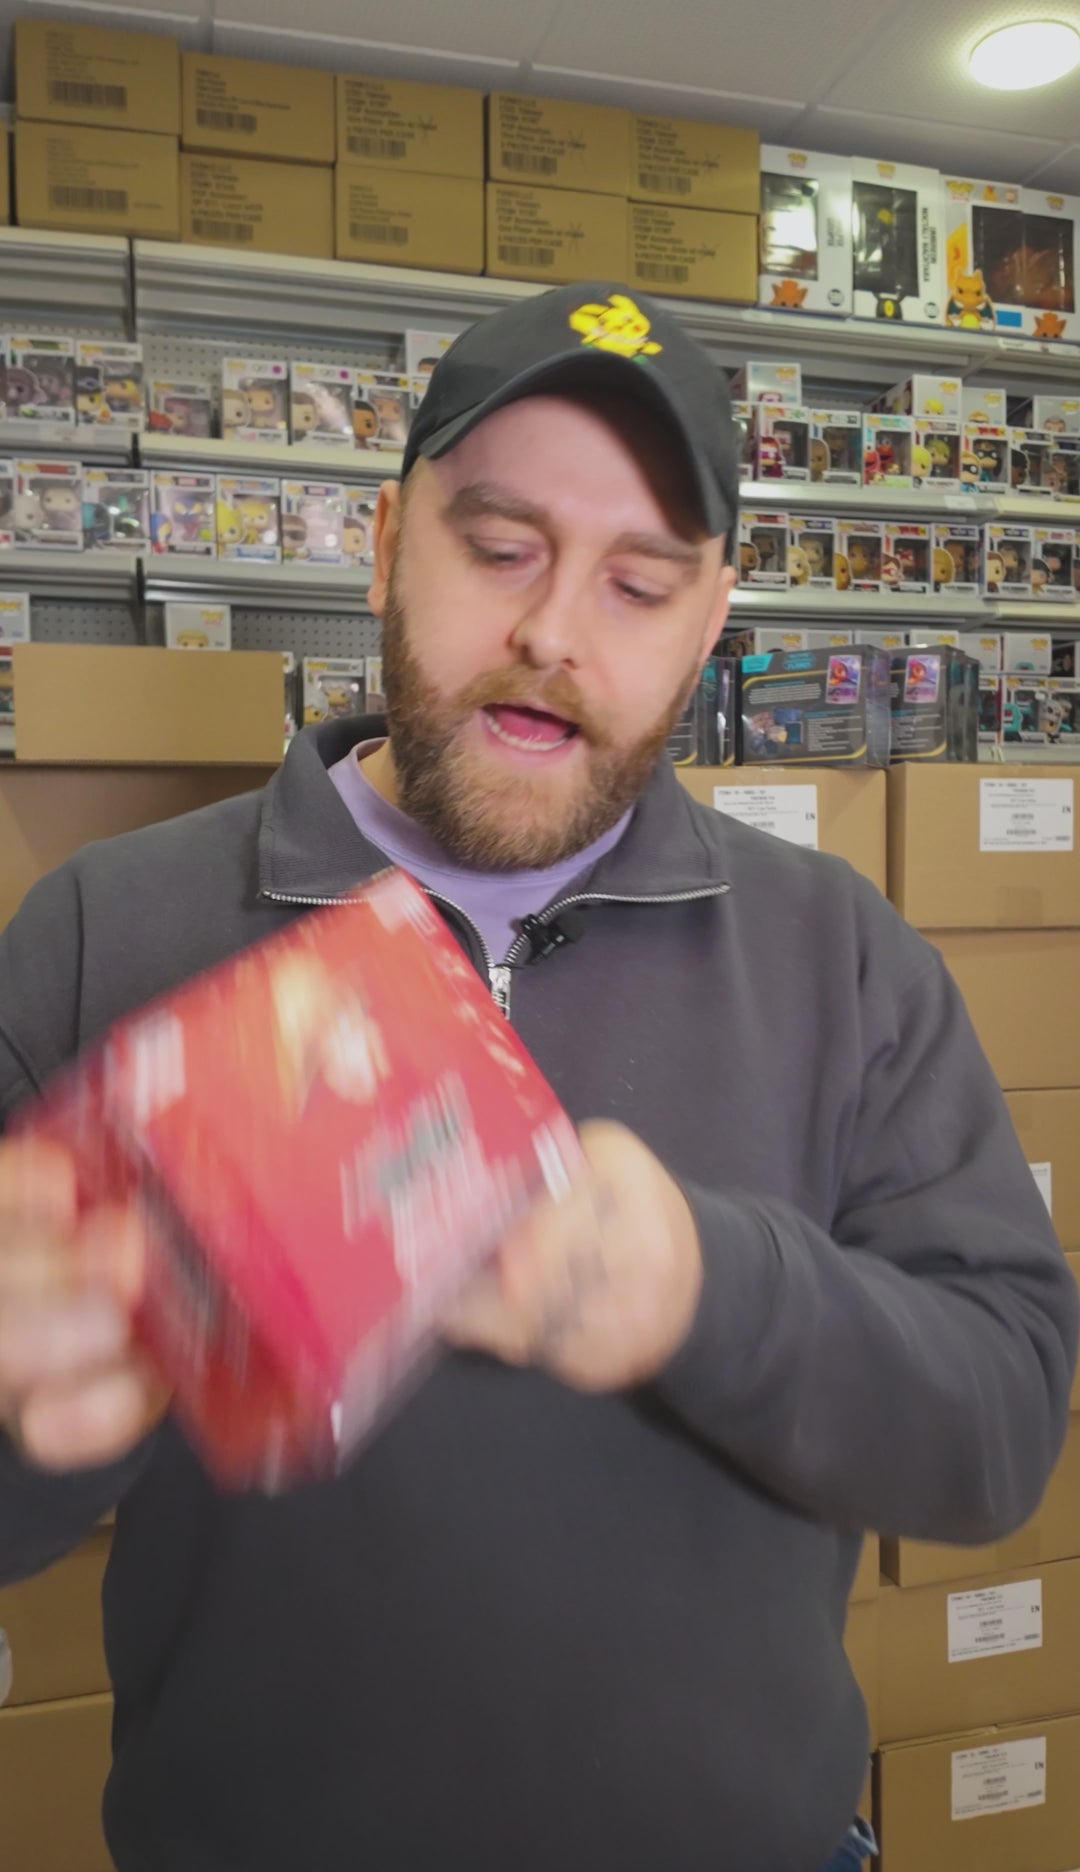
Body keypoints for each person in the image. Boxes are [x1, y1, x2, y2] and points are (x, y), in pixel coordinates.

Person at [0, 282, 1075, 1872]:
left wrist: (715, 1291)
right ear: (388, 546)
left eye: (638, 585)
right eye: (501, 548)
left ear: (710, 623)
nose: (554, 634)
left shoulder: (840, 957)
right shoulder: (109, 931)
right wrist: (34, 1407)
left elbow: (999, 1430)